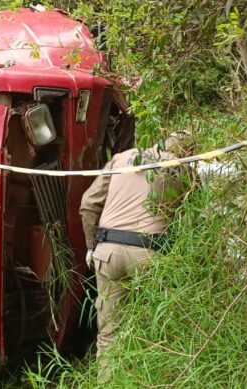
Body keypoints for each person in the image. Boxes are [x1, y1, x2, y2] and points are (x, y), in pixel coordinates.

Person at [79, 131, 196, 382]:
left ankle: (107, 384)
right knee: (154, 329)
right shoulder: (185, 170)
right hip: (151, 255)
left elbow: (88, 203)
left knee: (109, 332)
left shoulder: (121, 159)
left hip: (108, 252)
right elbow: (192, 221)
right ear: (188, 152)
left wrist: (90, 246)